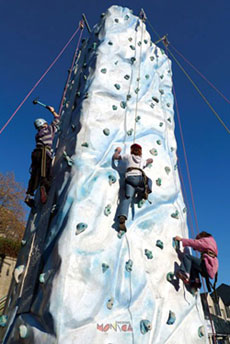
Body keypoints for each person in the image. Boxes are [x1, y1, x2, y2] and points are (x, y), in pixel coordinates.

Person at [24, 106, 60, 207]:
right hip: (44, 152)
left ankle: (29, 196)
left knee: (35, 174)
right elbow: (57, 119)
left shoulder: (38, 135)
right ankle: (44, 185)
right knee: (45, 171)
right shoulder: (48, 129)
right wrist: (52, 111)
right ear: (44, 124)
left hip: (35, 153)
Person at [113, 143, 153, 232]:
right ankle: (145, 192)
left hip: (130, 179)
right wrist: (150, 160)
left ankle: (122, 216)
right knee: (149, 181)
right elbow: (149, 161)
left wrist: (118, 151)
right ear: (140, 152)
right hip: (140, 178)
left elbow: (116, 157)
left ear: (132, 150)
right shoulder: (142, 160)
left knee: (127, 198)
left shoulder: (127, 157)